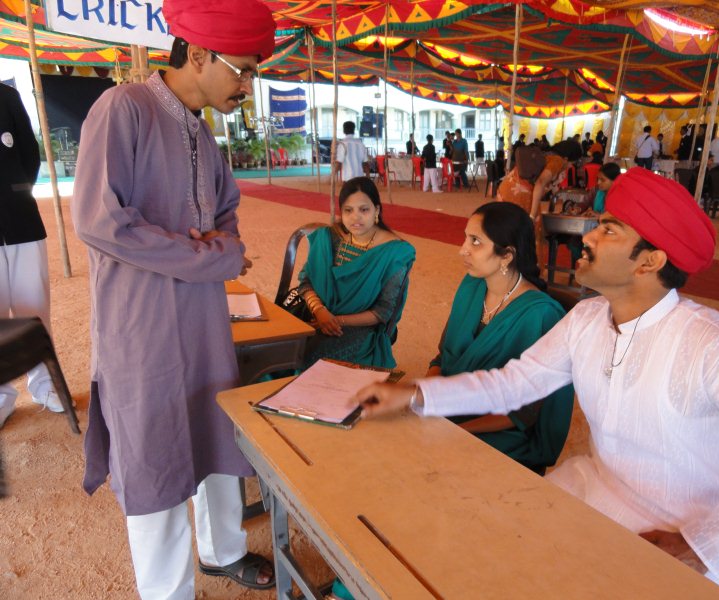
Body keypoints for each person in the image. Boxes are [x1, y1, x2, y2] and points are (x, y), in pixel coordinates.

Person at [356, 167, 719, 600]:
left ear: (650, 261)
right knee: (478, 548)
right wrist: (416, 394)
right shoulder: (587, 319)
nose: (588, 236)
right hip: (597, 498)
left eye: (609, 230)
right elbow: (515, 383)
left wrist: (697, 547)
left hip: (693, 540)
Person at [71, 1, 277, 597]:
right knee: (154, 448)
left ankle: (222, 550)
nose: (248, 84)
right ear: (200, 53)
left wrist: (223, 244)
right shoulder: (123, 108)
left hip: (203, 317)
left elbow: (227, 210)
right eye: (243, 69)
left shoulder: (201, 132)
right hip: (141, 323)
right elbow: (99, 221)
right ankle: (168, 591)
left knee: (214, 427)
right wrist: (211, 256)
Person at [429, 202, 573, 473]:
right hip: (450, 407)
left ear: (507, 255)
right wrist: (424, 397)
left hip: (503, 431)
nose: (463, 249)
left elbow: (521, 413)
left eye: (476, 241)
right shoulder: (472, 285)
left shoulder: (540, 315)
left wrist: (457, 430)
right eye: (465, 238)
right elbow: (442, 358)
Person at [298, 177, 415, 370]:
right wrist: (320, 311)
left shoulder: (394, 252)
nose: (355, 217)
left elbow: (383, 311)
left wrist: (337, 320)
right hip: (316, 312)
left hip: (361, 327)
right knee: (281, 344)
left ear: (377, 210)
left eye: (364, 210)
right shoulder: (330, 237)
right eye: (348, 210)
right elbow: (306, 281)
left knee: (311, 357)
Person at [0, 82, 63, 428]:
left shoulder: (7, 96)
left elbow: (28, 151)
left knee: (34, 309)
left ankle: (45, 385)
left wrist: (15, 194)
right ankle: (1, 397)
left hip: (21, 221)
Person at [498, 139, 581, 220]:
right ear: (566, 159)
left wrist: (555, 182)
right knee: (531, 225)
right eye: (572, 163)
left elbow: (539, 190)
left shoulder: (547, 154)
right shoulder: (558, 161)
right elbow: (540, 183)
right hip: (518, 193)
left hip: (506, 189)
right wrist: (532, 216)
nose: (571, 166)